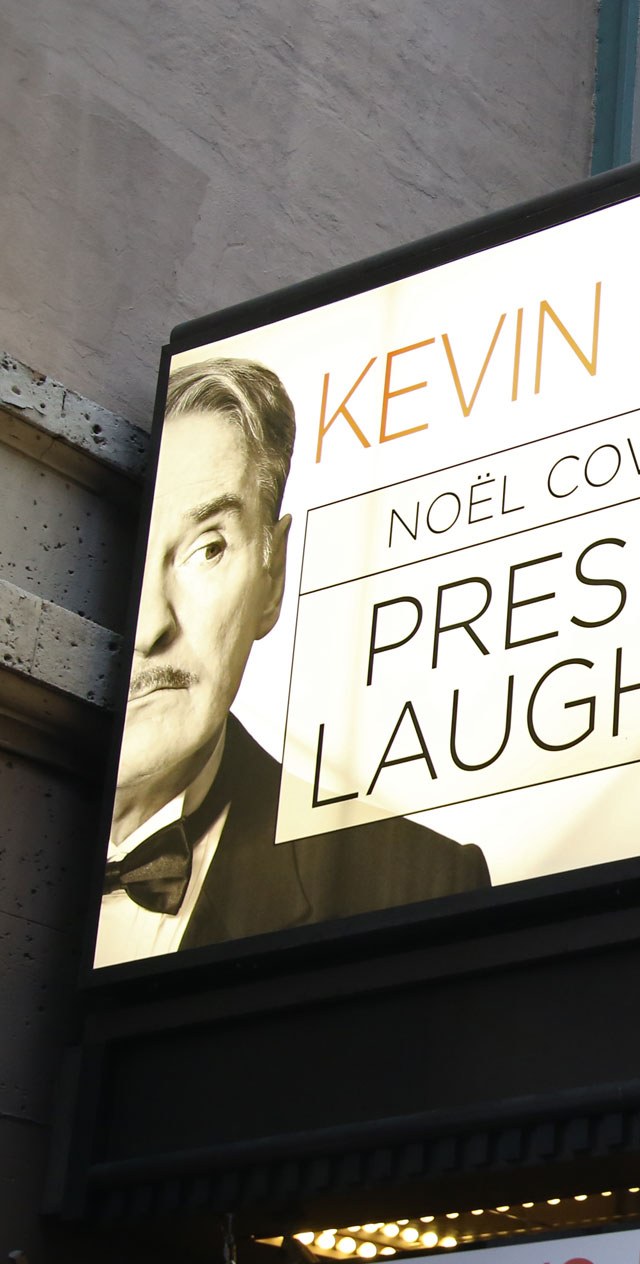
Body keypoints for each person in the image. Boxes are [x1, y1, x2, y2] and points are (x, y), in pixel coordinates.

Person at [97, 357, 489, 966]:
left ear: (271, 573)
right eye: (127, 555)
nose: (151, 625)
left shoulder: (415, 885)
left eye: (208, 549)